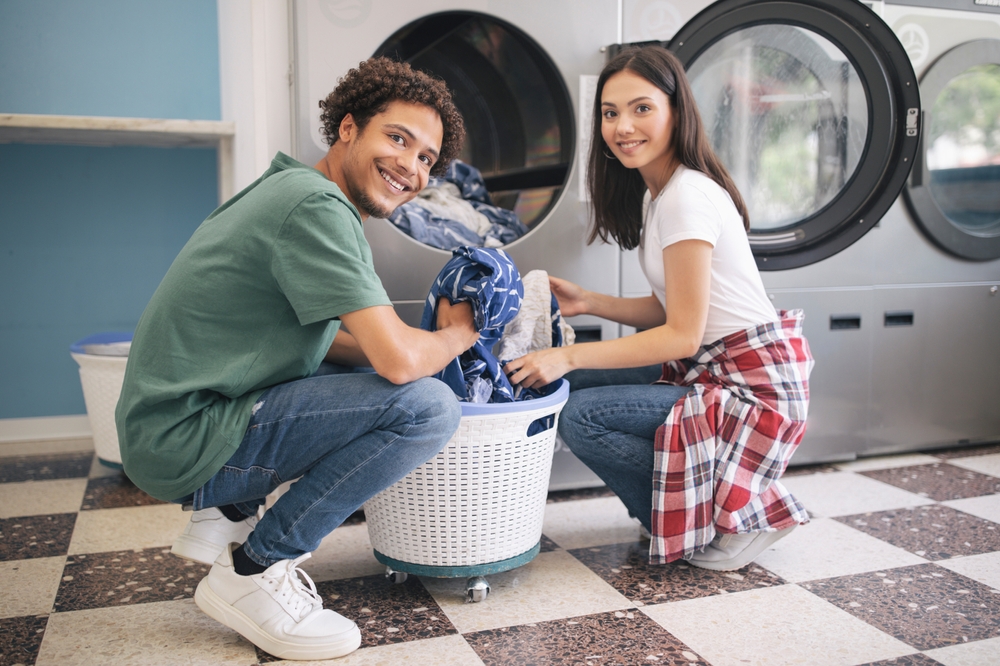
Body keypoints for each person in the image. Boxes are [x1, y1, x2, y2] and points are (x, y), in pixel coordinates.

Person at [115, 57, 478, 661]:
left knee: (371, 368)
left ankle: (226, 512)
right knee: (428, 408)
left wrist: (408, 350)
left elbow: (325, 342)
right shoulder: (317, 211)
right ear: (348, 128)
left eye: (425, 159)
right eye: (398, 138)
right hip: (182, 436)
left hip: (173, 419)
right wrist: (459, 335)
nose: (410, 168)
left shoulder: (291, 187)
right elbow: (396, 363)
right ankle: (253, 571)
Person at [505, 46, 814, 572]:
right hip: (713, 366)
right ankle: (694, 507)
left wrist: (567, 357)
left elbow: (682, 336)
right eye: (610, 112)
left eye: (641, 108)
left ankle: (732, 513)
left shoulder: (686, 198)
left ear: (676, 111)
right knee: (571, 388)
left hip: (750, 387)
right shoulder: (659, 194)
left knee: (582, 415)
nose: (623, 126)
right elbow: (676, 308)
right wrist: (590, 302)